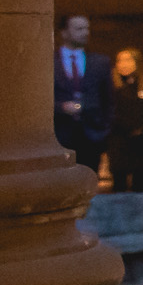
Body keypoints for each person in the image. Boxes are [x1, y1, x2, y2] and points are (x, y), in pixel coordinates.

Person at [52, 14, 112, 181]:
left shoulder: (99, 62)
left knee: (89, 183)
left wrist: (104, 130)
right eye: (79, 28)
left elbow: (108, 100)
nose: (85, 32)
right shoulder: (50, 62)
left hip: (91, 135)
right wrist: (61, 107)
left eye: (87, 28)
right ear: (64, 32)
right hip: (60, 134)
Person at [107, 48, 143, 194]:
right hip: (119, 142)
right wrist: (125, 128)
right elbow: (110, 113)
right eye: (120, 60)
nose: (123, 64)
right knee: (119, 185)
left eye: (128, 60)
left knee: (140, 186)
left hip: (141, 144)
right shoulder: (111, 88)